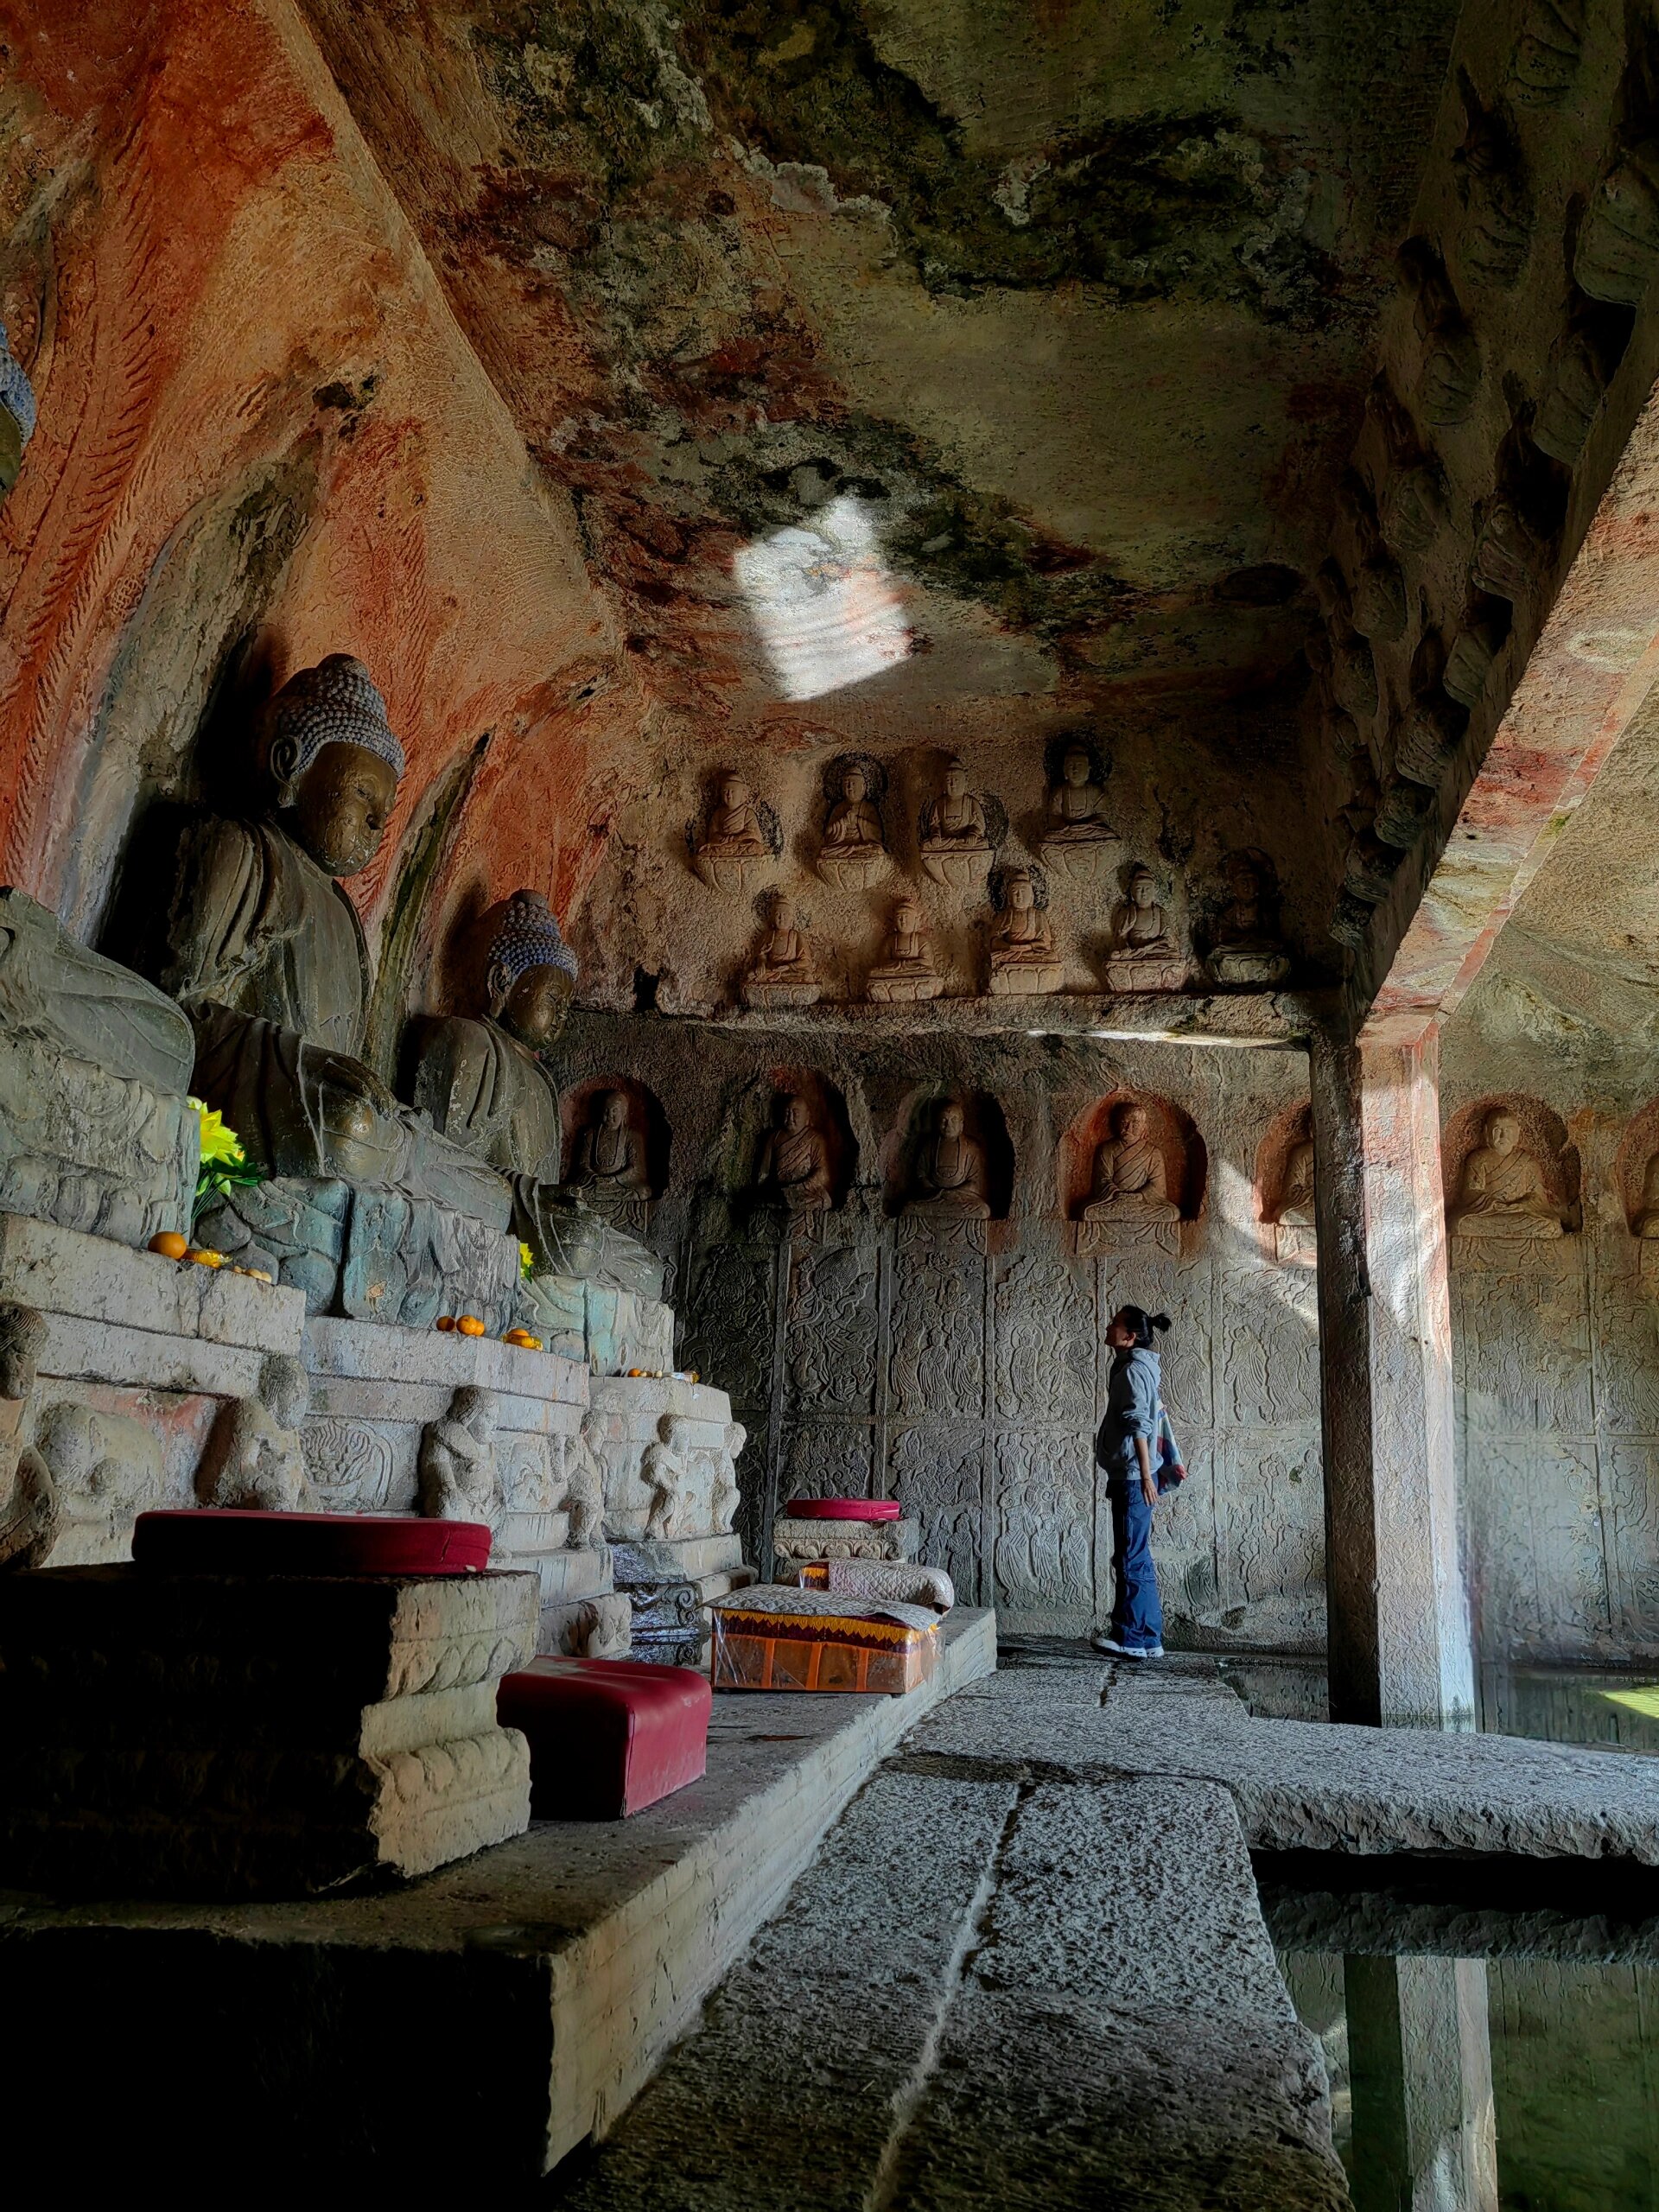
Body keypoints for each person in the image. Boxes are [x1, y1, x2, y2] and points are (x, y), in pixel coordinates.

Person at [1091, 1304, 1173, 1659]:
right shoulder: (1134, 1366)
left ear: (1131, 1336)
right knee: (1134, 1554)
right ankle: (1147, 1636)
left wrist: (1143, 1474)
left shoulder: (1132, 1371)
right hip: (1130, 1472)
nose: (1109, 1327)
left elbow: (1139, 1422)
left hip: (1132, 1474)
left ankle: (1134, 1637)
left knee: (1130, 1557)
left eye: (1115, 1324)